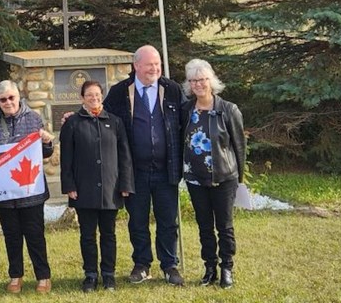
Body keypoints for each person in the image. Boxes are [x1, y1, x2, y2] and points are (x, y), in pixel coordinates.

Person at [103, 44, 186, 286]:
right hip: (134, 172)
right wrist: (75, 117)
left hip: (165, 170)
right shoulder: (120, 92)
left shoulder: (171, 89)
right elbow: (104, 118)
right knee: (137, 220)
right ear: (136, 66)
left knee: (167, 220)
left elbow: (186, 119)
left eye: (158, 64)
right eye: (150, 64)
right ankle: (141, 264)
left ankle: (170, 265)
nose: (155, 68)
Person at [0, 80, 55, 294]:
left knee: (35, 235)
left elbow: (45, 153)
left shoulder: (33, 118)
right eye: (3, 100)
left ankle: (43, 276)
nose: (8, 102)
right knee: (11, 236)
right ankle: (15, 276)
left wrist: (47, 143)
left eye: (11, 98)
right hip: (4, 193)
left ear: (18, 97)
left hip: (30, 190)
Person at [60, 80, 134, 292]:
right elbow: (67, 159)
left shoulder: (115, 122)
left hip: (110, 189)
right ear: (82, 97)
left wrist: (125, 184)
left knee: (109, 234)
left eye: (97, 95)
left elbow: (125, 156)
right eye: (89, 95)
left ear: (102, 96)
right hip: (83, 189)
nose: (94, 99)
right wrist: (69, 186)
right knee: (87, 235)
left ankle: (109, 275)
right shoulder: (73, 123)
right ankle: (90, 275)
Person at [180, 59, 246, 289]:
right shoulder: (186, 110)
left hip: (224, 177)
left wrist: (241, 179)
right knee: (204, 225)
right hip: (195, 179)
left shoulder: (228, 110)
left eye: (202, 79)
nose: (198, 84)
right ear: (189, 84)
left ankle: (227, 267)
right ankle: (209, 267)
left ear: (211, 81)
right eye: (193, 80)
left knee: (224, 226)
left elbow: (239, 146)